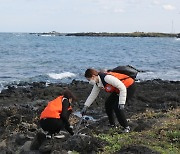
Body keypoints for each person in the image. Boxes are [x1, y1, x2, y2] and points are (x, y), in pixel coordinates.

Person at [81, 68, 136, 133]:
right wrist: (85, 106)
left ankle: (126, 127)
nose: (89, 82)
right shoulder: (98, 83)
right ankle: (112, 124)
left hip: (128, 86)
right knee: (108, 104)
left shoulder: (107, 78)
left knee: (117, 107)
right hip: (118, 90)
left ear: (93, 76)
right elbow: (93, 95)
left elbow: (122, 88)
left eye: (89, 79)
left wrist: (121, 103)